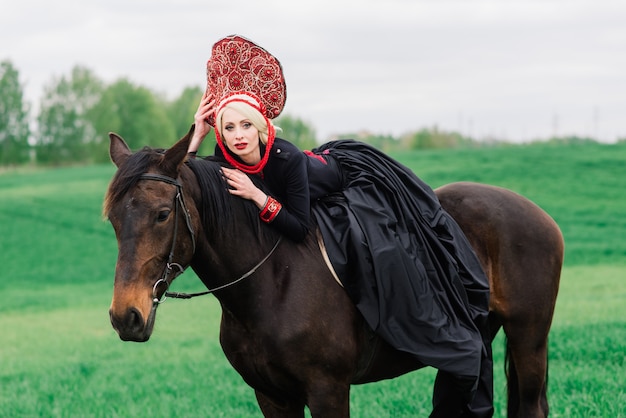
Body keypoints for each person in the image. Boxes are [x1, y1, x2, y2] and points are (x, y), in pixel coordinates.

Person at [188, 35, 493, 417]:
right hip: (292, 194)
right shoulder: (226, 156)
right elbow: (189, 179)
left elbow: (299, 226)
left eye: (246, 125)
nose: (238, 136)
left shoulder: (285, 158)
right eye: (228, 128)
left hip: (345, 178)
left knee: (371, 236)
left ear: (262, 126)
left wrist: (256, 196)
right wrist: (195, 137)